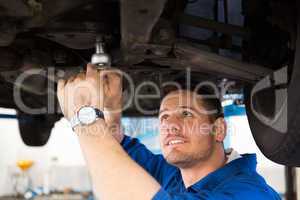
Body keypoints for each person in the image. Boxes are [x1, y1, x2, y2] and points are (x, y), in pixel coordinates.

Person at [57, 64, 281, 200]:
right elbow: (118, 151)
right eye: (164, 116)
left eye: (186, 114)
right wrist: (112, 108)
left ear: (219, 129)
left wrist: (84, 117)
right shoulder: (174, 175)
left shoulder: (248, 193)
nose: (170, 125)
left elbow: (118, 191)